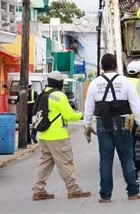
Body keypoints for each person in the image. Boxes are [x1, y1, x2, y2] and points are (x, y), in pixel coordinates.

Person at [83, 54, 140, 203]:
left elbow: (88, 108)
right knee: (126, 158)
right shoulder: (125, 82)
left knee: (105, 160)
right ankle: (133, 191)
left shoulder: (94, 83)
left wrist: (87, 126)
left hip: (102, 124)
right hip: (123, 123)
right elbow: (135, 105)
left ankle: (105, 196)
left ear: (102, 67)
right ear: (116, 66)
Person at [32, 71, 91, 201]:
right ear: (59, 83)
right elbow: (70, 116)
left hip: (43, 135)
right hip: (57, 136)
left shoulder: (42, 94)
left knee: (45, 163)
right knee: (65, 163)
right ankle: (73, 189)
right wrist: (83, 115)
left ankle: (38, 190)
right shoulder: (59, 96)